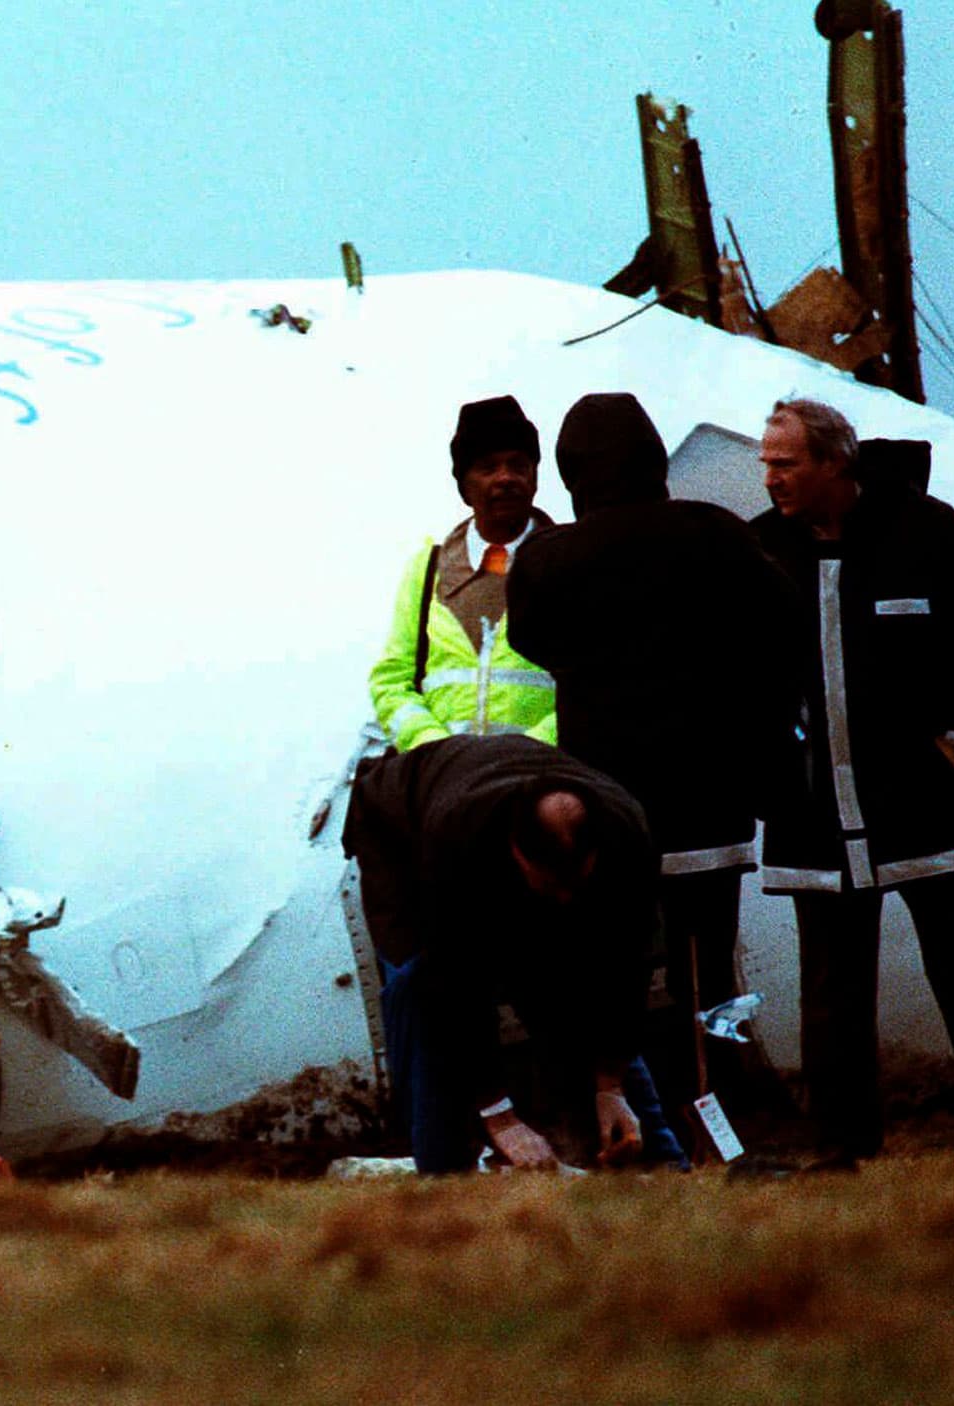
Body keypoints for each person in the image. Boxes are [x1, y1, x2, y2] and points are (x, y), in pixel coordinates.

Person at [751, 398, 954, 1163]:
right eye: (766, 463)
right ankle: (841, 1150)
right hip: (815, 814)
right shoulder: (760, 552)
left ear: (834, 462)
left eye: (786, 464)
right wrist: (763, 766)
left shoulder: (925, 530)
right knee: (832, 992)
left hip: (925, 806)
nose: (771, 478)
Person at [507, 392, 803, 1121]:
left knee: (612, 967)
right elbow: (781, 620)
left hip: (609, 807)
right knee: (710, 966)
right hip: (710, 797)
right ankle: (724, 1110)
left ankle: (623, 1114)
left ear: (571, 470)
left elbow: (530, 642)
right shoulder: (713, 533)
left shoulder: (547, 562)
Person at [342, 735, 672, 1173]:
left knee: (568, 976)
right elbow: (454, 987)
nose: (564, 898)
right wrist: (500, 1115)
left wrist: (609, 1086)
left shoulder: (625, 830)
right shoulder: (457, 839)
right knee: (417, 987)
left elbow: (623, 967)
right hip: (399, 837)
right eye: (549, 884)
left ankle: (655, 1158)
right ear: (517, 853)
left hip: (481, 807)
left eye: (576, 883)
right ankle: (446, 1178)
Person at [366, 395, 558, 753]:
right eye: (488, 467)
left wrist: (525, 754)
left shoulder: (569, 565)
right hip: (443, 785)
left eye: (518, 465)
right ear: (464, 485)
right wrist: (437, 752)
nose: (506, 478)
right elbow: (391, 681)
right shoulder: (427, 570)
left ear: (534, 476)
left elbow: (593, 682)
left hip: (540, 779)